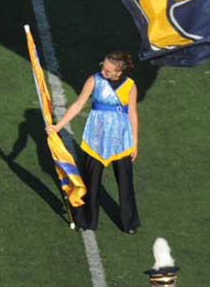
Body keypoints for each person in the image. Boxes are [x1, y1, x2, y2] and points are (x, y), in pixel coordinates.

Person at [47, 51, 142, 233]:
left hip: (121, 140)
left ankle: (129, 222)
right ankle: (87, 220)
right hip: (95, 138)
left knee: (125, 183)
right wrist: (58, 126)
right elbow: (78, 104)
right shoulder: (94, 80)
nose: (103, 71)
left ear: (119, 72)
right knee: (91, 182)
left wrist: (135, 143)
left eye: (108, 70)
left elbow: (133, 114)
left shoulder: (130, 86)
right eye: (103, 67)